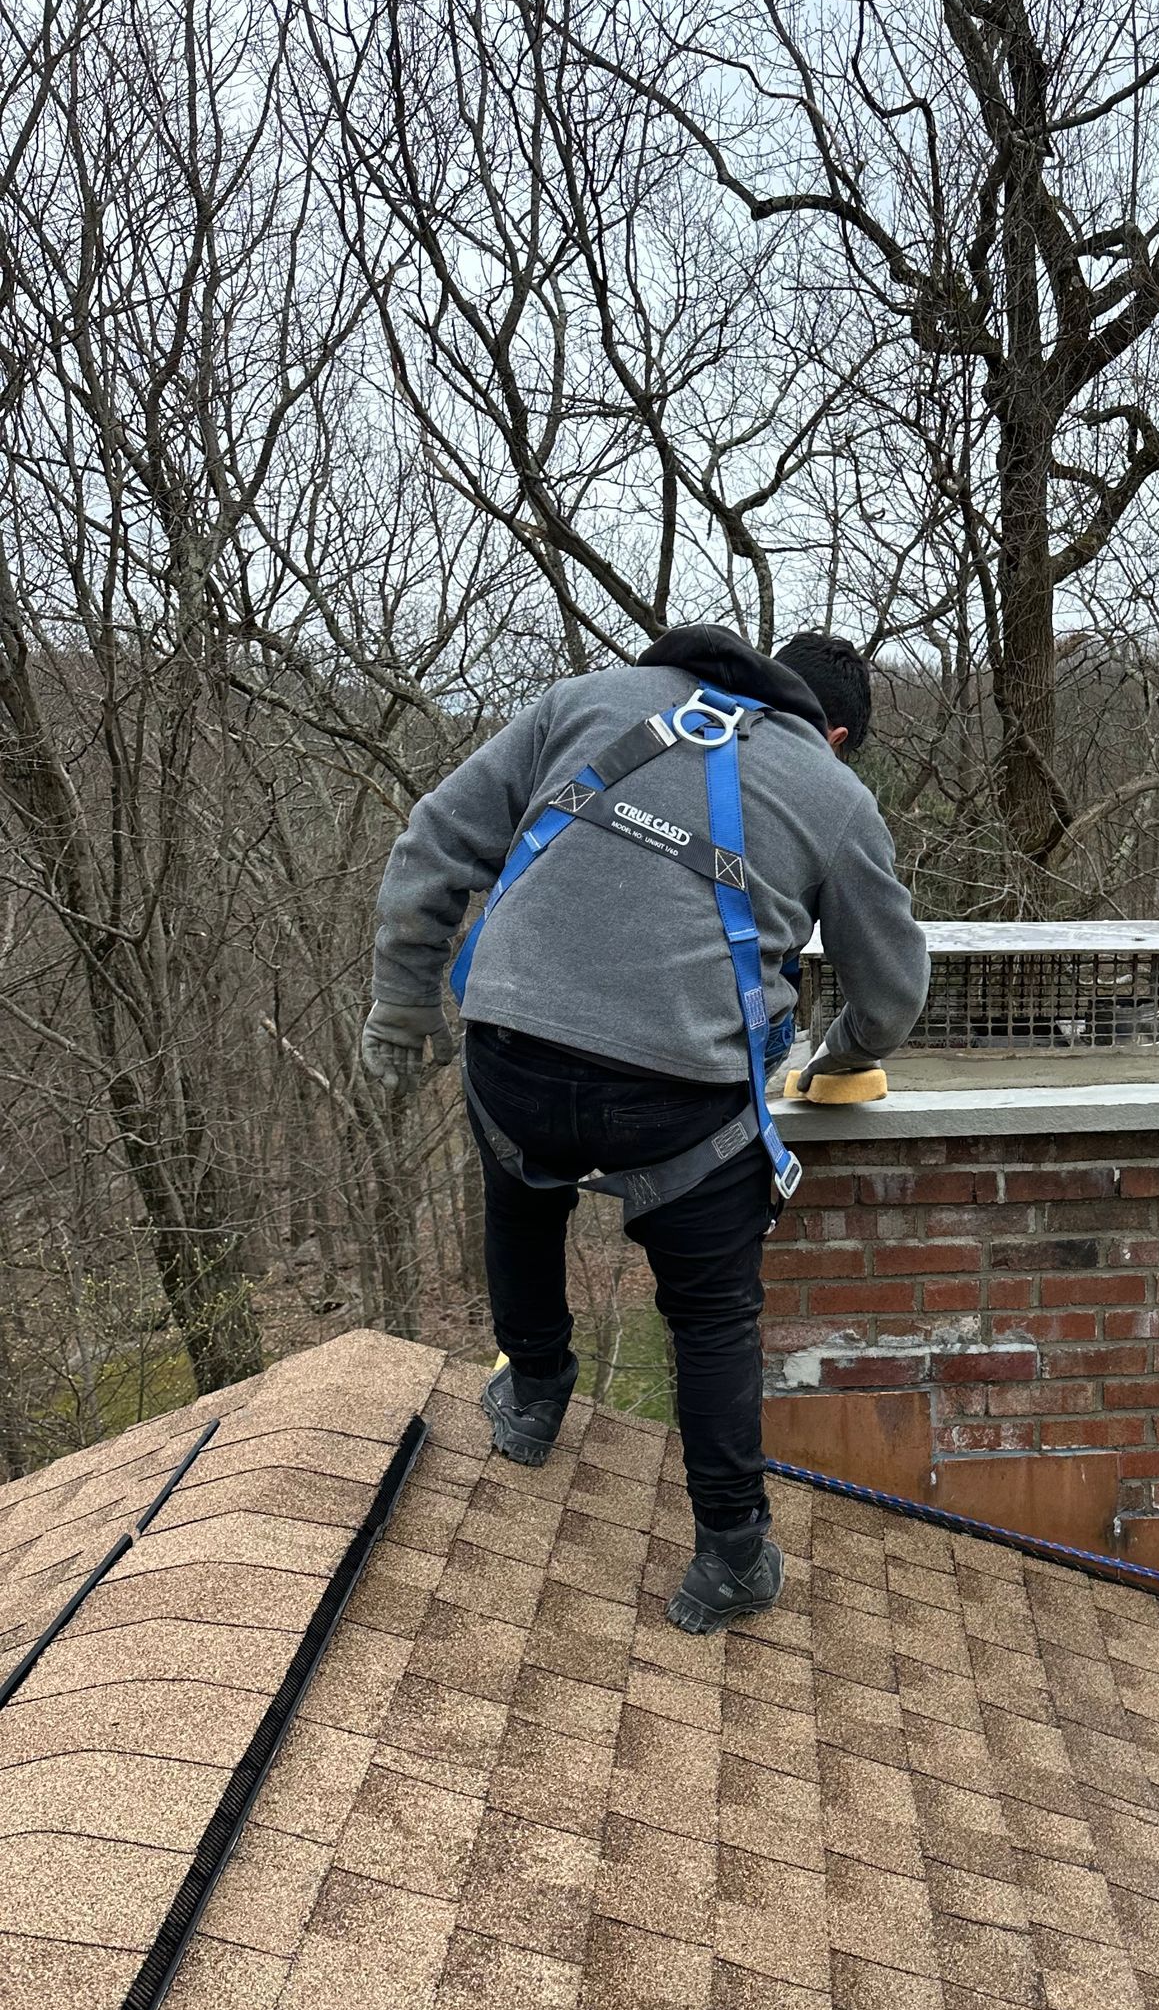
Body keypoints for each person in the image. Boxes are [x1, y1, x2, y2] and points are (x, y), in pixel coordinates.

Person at [361, 625, 928, 1633]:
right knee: (710, 1315)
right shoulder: (835, 796)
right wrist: (840, 1056)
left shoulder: (584, 698)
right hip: (679, 1102)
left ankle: (534, 1396)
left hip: (514, 1056)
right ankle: (730, 1555)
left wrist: (403, 1008)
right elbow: (892, 988)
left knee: (523, 1194)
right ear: (833, 730)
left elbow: (432, 843)